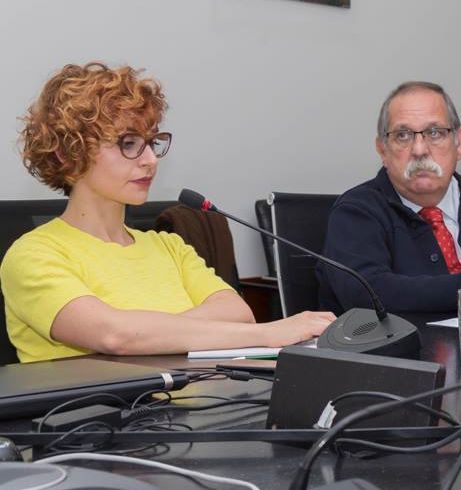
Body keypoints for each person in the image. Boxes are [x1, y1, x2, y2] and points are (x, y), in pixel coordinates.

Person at [0, 63, 335, 363]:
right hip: (107, 411)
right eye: (128, 144)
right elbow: (114, 336)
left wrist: (147, 332)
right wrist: (268, 333)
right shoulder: (33, 255)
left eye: (152, 142)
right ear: (66, 153)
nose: (150, 160)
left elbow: (239, 314)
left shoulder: (169, 246)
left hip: (204, 402)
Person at [318, 81, 461, 313]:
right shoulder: (356, 212)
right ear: (382, 150)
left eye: (435, 133)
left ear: (459, 143)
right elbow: (366, 294)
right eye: (403, 135)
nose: (420, 150)